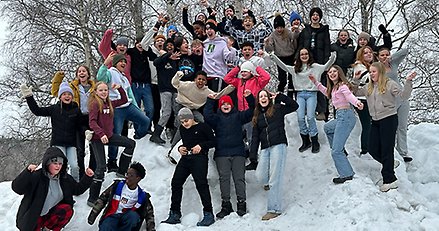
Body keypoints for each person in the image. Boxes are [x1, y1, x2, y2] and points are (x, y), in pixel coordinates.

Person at [353, 62, 416, 192]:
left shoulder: (389, 84)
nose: (371, 74)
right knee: (371, 148)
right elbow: (354, 92)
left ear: (381, 72)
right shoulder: (368, 87)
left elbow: (404, 96)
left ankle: (390, 180)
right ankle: (389, 163)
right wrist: (356, 79)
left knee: (387, 149)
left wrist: (408, 82)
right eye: (370, 72)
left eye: (374, 71)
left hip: (389, 119)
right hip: (375, 121)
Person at [270, 49, 336, 154]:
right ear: (299, 56)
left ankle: (315, 141)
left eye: (306, 54)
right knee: (300, 117)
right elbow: (284, 66)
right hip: (300, 94)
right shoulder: (296, 69)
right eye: (302, 54)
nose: (304, 56)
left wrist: (332, 56)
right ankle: (305, 140)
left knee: (310, 117)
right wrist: (273, 57)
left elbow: (327, 66)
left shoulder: (315, 67)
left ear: (309, 55)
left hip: (311, 94)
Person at [12, 147, 94, 231]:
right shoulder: (37, 176)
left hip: (50, 215)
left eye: (60, 164)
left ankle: (48, 229)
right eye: (55, 163)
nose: (58, 166)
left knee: (66, 209)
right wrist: (27, 172)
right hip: (33, 217)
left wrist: (87, 177)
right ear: (47, 163)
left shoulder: (65, 178)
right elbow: (17, 188)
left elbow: (77, 190)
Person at [204, 91, 255, 218]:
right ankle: (226, 205)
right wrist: (211, 101)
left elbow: (252, 110)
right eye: (223, 104)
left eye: (228, 104)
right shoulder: (216, 118)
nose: (225, 105)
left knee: (239, 178)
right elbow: (207, 116)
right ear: (220, 106)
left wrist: (249, 97)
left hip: (238, 153)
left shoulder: (238, 116)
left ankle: (241, 204)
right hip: (221, 153)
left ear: (232, 105)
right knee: (224, 179)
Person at [162, 108, 216, 226]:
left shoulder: (203, 127)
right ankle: (174, 213)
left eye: (186, 121)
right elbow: (184, 143)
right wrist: (180, 148)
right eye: (182, 122)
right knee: (176, 182)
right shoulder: (182, 129)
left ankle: (208, 213)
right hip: (186, 158)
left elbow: (213, 141)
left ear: (192, 118)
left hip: (200, 158)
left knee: (201, 184)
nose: (184, 124)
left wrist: (201, 146)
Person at [309, 65, 363, 184]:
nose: (332, 73)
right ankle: (341, 150)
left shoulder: (342, 86)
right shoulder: (333, 88)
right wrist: (315, 82)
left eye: (335, 71)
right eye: (330, 72)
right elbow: (325, 91)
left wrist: (357, 102)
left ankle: (347, 174)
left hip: (346, 116)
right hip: (340, 117)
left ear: (339, 73)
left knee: (335, 152)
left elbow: (349, 96)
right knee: (327, 128)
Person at [96, 53, 150, 171]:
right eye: (121, 61)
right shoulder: (110, 73)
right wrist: (105, 64)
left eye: (125, 62)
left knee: (145, 120)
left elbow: (129, 93)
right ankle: (112, 160)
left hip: (128, 105)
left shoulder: (124, 77)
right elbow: (100, 78)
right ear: (115, 63)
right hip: (116, 107)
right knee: (116, 134)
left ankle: (139, 135)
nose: (123, 64)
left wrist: (136, 107)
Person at [251, 90, 298, 220]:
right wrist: (253, 154)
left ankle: (274, 209)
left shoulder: (277, 109)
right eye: (260, 96)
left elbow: (294, 106)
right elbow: (255, 137)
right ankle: (269, 186)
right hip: (265, 148)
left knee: (274, 179)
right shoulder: (256, 116)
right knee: (260, 176)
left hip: (279, 145)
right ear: (258, 100)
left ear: (269, 98)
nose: (263, 98)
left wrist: (280, 96)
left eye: (265, 96)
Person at [87, 81, 136, 205]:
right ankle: (92, 198)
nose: (104, 92)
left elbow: (124, 100)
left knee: (130, 144)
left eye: (105, 90)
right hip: (97, 139)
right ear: (96, 92)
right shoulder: (94, 104)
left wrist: (119, 89)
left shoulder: (109, 103)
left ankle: (121, 170)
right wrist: (101, 134)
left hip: (109, 136)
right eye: (101, 90)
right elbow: (92, 122)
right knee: (101, 167)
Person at [21, 82, 81, 181]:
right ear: (60, 96)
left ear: (72, 96)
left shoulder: (76, 110)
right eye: (64, 94)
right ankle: (60, 184)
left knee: (74, 166)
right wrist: (29, 97)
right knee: (60, 166)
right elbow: (37, 111)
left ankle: (75, 184)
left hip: (71, 144)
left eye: (69, 94)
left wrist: (87, 131)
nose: (67, 96)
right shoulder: (54, 109)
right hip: (58, 143)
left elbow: (81, 125)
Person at [224, 60, 271, 170]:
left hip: (253, 112)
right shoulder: (239, 81)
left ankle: (254, 159)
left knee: (251, 136)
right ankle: (244, 152)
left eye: (246, 71)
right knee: (238, 135)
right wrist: (237, 68)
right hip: (241, 112)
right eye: (242, 72)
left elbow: (267, 77)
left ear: (251, 72)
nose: (243, 73)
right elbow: (227, 79)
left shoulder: (257, 81)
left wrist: (256, 68)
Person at [51, 66, 97, 178]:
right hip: (77, 118)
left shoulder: (94, 87)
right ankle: (80, 175)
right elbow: (56, 91)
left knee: (94, 147)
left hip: (92, 118)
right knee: (79, 149)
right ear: (77, 74)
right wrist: (59, 76)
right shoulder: (72, 86)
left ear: (88, 74)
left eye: (84, 71)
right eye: (79, 71)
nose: (82, 73)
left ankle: (92, 173)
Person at [87, 162, 155, 231]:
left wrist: (151, 228)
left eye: (131, 175)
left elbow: (149, 213)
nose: (127, 176)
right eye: (127, 174)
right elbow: (102, 198)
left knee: (133, 216)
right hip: (112, 216)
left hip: (126, 219)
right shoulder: (117, 186)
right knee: (106, 227)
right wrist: (93, 215)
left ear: (138, 178)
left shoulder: (142, 195)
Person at [377, 47, 412, 162]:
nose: (385, 57)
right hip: (389, 102)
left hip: (401, 98)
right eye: (382, 55)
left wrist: (391, 57)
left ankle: (403, 152)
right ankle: (390, 152)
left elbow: (406, 50)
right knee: (390, 128)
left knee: (402, 126)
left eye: (387, 54)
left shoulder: (393, 64)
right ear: (378, 57)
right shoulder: (376, 68)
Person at [297, 7, 331, 121]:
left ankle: (322, 111)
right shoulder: (305, 30)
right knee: (307, 84)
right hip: (307, 61)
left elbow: (327, 46)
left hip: (320, 61)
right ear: (310, 16)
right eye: (313, 14)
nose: (315, 16)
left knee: (320, 85)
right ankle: (307, 110)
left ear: (320, 17)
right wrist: (297, 58)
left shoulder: (324, 30)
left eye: (317, 15)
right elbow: (300, 45)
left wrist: (327, 62)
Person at [265, 14, 299, 95]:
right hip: (280, 58)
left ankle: (290, 95)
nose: (279, 30)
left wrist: (296, 31)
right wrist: (266, 44)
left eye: (281, 27)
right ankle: (279, 94)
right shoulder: (273, 35)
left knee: (291, 77)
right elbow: (269, 49)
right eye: (277, 28)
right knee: (282, 78)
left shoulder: (287, 32)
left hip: (290, 56)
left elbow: (294, 37)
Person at [351, 46, 375, 155]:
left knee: (371, 124)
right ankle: (366, 150)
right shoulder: (359, 66)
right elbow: (369, 79)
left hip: (370, 99)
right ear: (361, 55)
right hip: (362, 100)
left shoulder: (371, 66)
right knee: (367, 125)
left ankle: (371, 147)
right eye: (365, 53)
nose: (369, 54)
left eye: (370, 52)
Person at [202, 20, 237, 91]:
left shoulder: (222, 43)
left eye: (211, 29)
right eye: (207, 29)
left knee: (216, 97)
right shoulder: (204, 43)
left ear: (215, 31)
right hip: (206, 75)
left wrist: (231, 49)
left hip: (217, 75)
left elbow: (229, 57)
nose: (209, 31)